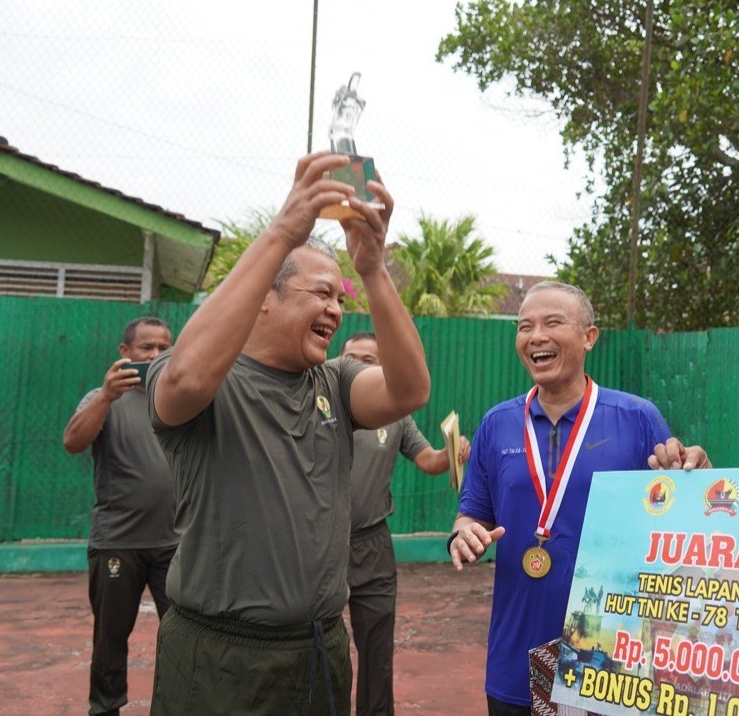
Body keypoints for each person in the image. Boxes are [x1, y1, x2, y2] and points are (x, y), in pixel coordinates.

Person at [146, 152, 430, 716]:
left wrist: (372, 269)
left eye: (339, 298)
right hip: (219, 657)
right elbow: (184, 378)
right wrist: (282, 231)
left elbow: (408, 392)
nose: (335, 308)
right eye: (320, 293)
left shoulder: (335, 380)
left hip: (321, 650)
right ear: (264, 299)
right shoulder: (205, 381)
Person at [448, 281, 706, 715]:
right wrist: (463, 534)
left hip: (610, 660)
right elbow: (470, 513)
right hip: (515, 655)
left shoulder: (637, 418)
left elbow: (681, 519)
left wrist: (695, 474)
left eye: (553, 323)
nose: (536, 337)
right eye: (524, 326)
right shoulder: (497, 424)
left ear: (589, 337)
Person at [340, 331, 469, 716]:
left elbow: (429, 461)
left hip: (373, 545)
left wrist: (454, 453)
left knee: (377, 652)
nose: (360, 365)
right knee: (319, 647)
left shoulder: (396, 414)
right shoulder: (319, 404)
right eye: (352, 358)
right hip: (318, 543)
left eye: (370, 359)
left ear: (383, 366)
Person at [62, 317, 177, 716]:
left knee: (183, 637)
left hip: (176, 544)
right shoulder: (103, 398)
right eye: (146, 347)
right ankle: (105, 708)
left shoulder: (179, 398)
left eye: (164, 346)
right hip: (118, 542)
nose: (156, 355)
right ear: (125, 353)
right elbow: (73, 442)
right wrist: (106, 397)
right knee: (110, 641)